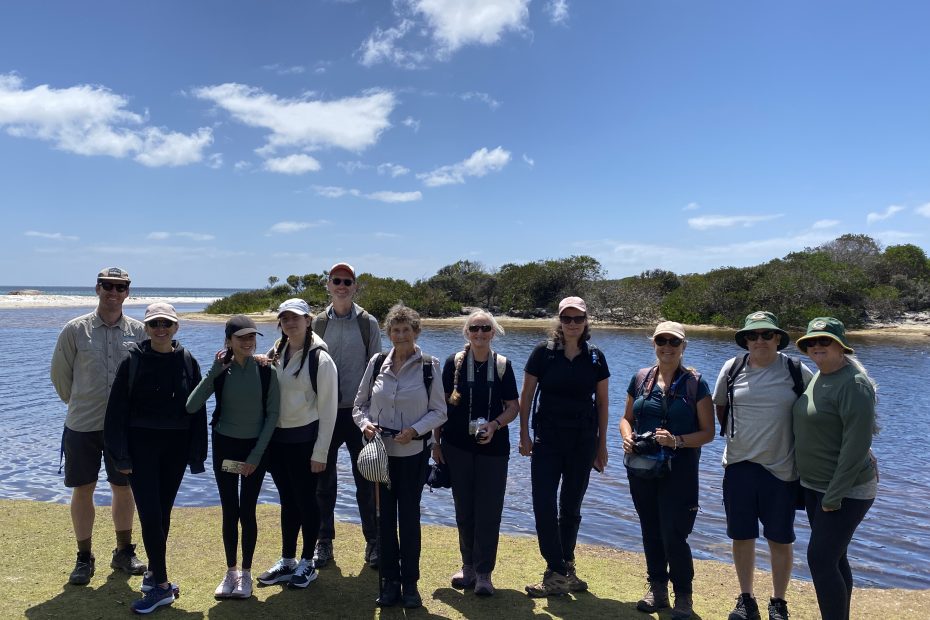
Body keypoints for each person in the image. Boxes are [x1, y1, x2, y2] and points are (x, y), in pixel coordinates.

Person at [104, 303, 208, 614]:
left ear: (176, 327)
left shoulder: (188, 361)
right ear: (146, 328)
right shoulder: (133, 360)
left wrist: (197, 455)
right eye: (154, 324)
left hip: (175, 449)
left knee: (162, 515)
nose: (160, 329)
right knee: (149, 515)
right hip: (140, 449)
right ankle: (161, 585)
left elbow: (197, 410)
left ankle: (153, 576)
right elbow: (116, 412)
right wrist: (120, 455)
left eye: (166, 323)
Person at [712, 311, 813, 620]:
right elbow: (721, 407)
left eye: (766, 335)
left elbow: (821, 407)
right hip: (739, 467)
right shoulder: (732, 368)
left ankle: (779, 602)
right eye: (753, 335)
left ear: (778, 338)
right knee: (741, 536)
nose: (759, 340)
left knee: (780, 539)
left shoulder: (797, 370)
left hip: (781, 470)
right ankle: (746, 600)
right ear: (745, 340)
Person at [50, 267, 147, 586]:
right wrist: (81, 402)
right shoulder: (75, 329)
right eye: (108, 286)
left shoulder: (140, 331)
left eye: (120, 287)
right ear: (97, 288)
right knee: (83, 488)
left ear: (127, 292)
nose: (113, 292)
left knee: (123, 488)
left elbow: (147, 378)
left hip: (123, 429)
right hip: (82, 424)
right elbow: (60, 377)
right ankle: (83, 556)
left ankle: (123, 551)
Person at [353, 304, 447, 608]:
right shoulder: (377, 362)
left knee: (408, 520)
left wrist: (416, 431)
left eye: (407, 329)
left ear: (416, 332)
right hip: (380, 455)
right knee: (384, 521)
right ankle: (390, 582)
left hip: (412, 455)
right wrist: (366, 425)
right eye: (396, 329)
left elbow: (439, 412)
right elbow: (359, 405)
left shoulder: (430, 366)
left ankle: (410, 585)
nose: (401, 335)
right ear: (388, 332)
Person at [620, 321, 714, 619]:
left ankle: (683, 596)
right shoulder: (640, 378)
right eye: (662, 341)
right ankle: (657, 588)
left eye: (674, 342)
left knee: (674, 534)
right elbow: (625, 418)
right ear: (654, 344)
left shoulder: (695, 383)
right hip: (643, 468)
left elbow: (709, 432)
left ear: (683, 347)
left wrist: (677, 441)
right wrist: (625, 436)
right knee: (650, 529)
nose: (668, 347)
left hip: (680, 471)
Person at [519, 296, 609, 598]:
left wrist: (602, 445)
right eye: (567, 319)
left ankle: (565, 568)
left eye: (578, 319)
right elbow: (526, 398)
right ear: (559, 321)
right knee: (543, 504)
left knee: (571, 507)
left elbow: (603, 404)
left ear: (586, 321)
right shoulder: (543, 354)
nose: (572, 324)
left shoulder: (595, 357)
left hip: (583, 441)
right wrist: (523, 435)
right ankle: (555, 568)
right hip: (547, 440)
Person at [186, 315, 280, 600]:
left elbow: (273, 416)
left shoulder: (266, 370)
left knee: (248, 511)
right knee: (230, 511)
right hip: (224, 448)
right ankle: (230, 571)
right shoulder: (220, 370)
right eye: (241, 338)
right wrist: (214, 370)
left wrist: (255, 456)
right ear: (229, 341)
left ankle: (247, 575)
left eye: (252, 337)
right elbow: (191, 406)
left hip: (255, 451)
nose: (248, 342)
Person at [793, 317, 877, 620]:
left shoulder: (854, 384)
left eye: (824, 341)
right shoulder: (818, 376)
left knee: (819, 559)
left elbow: (856, 446)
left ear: (841, 347)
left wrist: (834, 495)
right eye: (811, 342)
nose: (817, 346)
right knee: (835, 557)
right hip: (815, 486)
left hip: (845, 490)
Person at [435, 310, 519, 596]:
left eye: (485, 328)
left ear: (493, 332)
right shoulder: (453, 363)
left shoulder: (503, 366)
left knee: (489, 512)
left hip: (494, 451)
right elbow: (440, 407)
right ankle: (467, 567)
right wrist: (436, 443)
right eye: (474, 328)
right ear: (467, 332)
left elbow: (513, 407)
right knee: (464, 510)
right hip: (456, 447)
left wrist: (495, 425)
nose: (480, 333)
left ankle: (485, 574)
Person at [257, 299, 338, 589]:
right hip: (279, 441)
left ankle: (307, 563)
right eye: (285, 318)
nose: (290, 323)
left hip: (305, 441)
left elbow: (329, 411)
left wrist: (321, 452)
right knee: (287, 501)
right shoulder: (276, 351)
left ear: (308, 320)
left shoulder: (321, 359)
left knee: (307, 501)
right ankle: (288, 560)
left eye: (296, 318)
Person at [311, 263, 382, 569]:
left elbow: (379, 369)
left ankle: (374, 543)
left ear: (355, 287)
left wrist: (373, 415)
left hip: (358, 415)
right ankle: (323, 542)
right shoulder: (316, 323)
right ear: (328, 285)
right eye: (336, 280)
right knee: (323, 482)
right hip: (323, 414)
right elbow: (305, 361)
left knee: (366, 478)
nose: (341, 286)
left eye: (347, 281)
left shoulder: (369, 323)